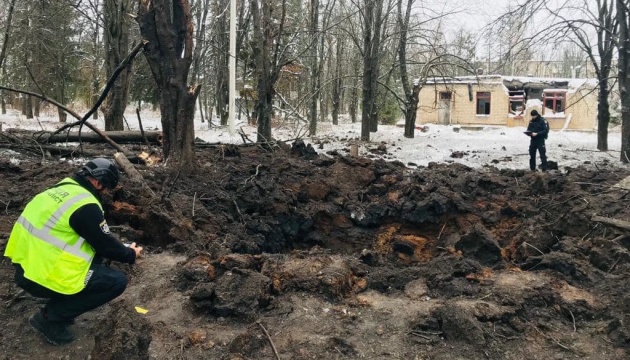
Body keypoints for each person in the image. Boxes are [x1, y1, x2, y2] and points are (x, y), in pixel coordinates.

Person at [3, 158, 143, 345]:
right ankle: (49, 318)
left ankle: (62, 305)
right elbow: (106, 245)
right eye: (108, 188)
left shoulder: (59, 189)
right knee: (116, 282)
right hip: (42, 275)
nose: (107, 193)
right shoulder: (85, 204)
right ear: (97, 182)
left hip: (25, 267)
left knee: (95, 260)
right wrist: (130, 254)